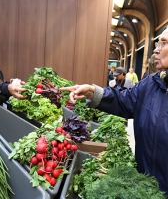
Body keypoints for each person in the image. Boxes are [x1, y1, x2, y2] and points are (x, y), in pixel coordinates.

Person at [59, 26, 168, 195]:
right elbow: (124, 100)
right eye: (158, 42)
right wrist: (92, 92)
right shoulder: (151, 84)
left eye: (164, 43)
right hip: (146, 186)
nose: (156, 49)